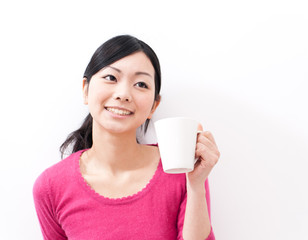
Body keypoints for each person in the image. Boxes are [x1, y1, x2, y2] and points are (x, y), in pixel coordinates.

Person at [33, 35, 220, 240]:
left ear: (153, 106)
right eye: (111, 78)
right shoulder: (50, 187)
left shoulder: (180, 169)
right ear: (85, 90)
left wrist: (196, 184)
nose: (123, 94)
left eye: (141, 84)